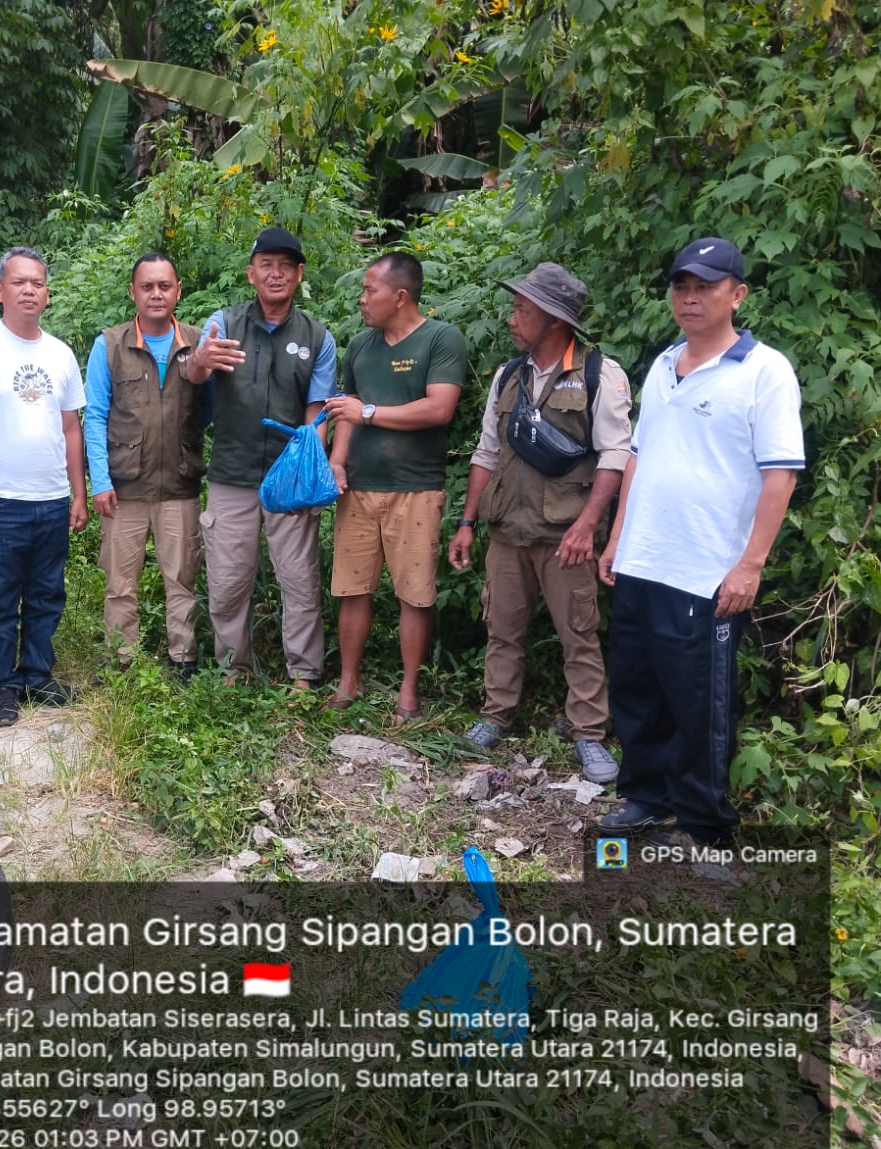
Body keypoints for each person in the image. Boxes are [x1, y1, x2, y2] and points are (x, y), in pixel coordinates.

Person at [597, 238, 804, 840]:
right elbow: (639, 455)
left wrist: (750, 565)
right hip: (643, 559)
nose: (690, 297)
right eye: (682, 286)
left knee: (698, 702)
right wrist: (617, 537)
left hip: (706, 570)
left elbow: (781, 474)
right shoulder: (664, 364)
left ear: (737, 295)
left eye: (706, 286)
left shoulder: (765, 371)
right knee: (637, 687)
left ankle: (702, 821)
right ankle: (645, 794)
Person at [446, 263, 633, 785]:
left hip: (565, 536)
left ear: (553, 319)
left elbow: (615, 457)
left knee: (579, 635)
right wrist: (467, 522)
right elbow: (486, 453)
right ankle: (495, 716)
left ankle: (589, 733)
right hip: (507, 529)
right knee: (501, 631)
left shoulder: (600, 375)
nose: (512, 319)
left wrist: (587, 527)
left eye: (521, 310)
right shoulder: (509, 376)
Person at [181, 227, 336, 686]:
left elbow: (317, 413)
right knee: (228, 581)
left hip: (289, 480)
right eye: (266, 265)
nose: (276, 273)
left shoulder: (317, 337)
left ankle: (304, 674)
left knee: (300, 580)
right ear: (251, 274)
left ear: (299, 273)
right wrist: (201, 359)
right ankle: (233, 670)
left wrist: (308, 471)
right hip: (232, 474)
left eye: (286, 266)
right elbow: (193, 375)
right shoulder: (224, 324)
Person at [0, 247, 88, 728]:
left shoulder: (60, 354)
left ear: (47, 294)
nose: (29, 290)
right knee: (1, 599)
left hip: (51, 498)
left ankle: (37, 675)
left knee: (47, 593)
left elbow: (70, 428)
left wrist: (78, 494)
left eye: (38, 283)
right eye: (19, 282)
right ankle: (3, 685)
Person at [323, 252, 464, 723]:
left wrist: (369, 413)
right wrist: (337, 462)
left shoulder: (441, 339)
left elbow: (438, 408)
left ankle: (408, 691)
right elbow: (346, 409)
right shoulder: (361, 346)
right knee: (351, 589)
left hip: (416, 488)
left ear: (400, 296)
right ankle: (348, 681)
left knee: (414, 593)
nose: (362, 299)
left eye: (370, 290)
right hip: (359, 488)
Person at [84, 252, 207, 677]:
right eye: (147, 286)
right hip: (124, 486)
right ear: (133, 292)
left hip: (180, 484)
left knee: (182, 578)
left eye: (164, 286)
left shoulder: (197, 344)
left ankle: (183, 659)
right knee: (120, 582)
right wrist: (100, 480)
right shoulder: (109, 345)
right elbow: (95, 415)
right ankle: (122, 662)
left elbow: (209, 409)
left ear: (178, 291)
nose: (156, 294)